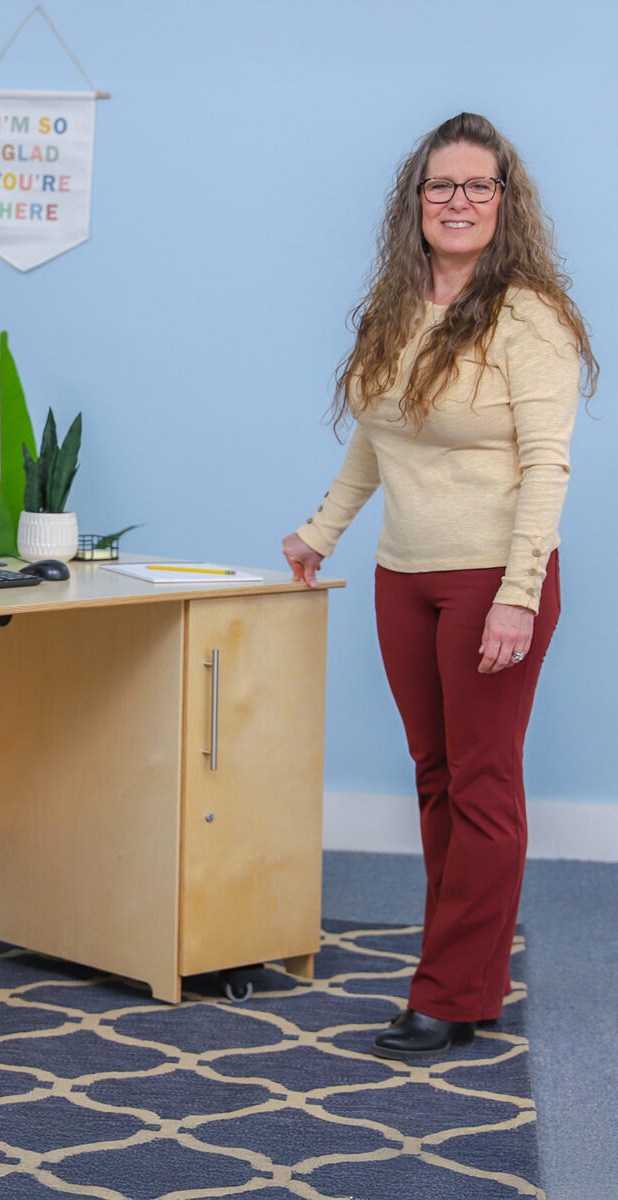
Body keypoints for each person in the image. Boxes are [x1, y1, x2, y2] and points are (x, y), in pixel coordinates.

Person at [282, 113, 596, 1062]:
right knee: (437, 778)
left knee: (484, 783)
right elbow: (376, 439)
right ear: (415, 202)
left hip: (492, 581)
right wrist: (320, 532)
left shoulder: (527, 316)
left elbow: (549, 466)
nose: (457, 202)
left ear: (506, 203)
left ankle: (450, 994)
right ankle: (469, 977)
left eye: (477, 186)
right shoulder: (396, 307)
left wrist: (517, 590)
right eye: (440, 186)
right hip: (402, 579)